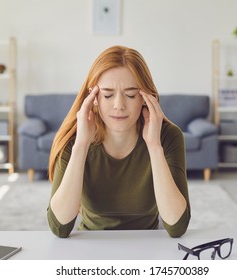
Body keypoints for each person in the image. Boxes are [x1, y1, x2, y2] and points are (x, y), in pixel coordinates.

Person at [47, 45, 190, 238]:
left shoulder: (168, 136)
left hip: (148, 247)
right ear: (94, 97)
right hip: (90, 247)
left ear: (145, 97)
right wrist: (81, 145)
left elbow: (176, 226)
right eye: (107, 94)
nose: (119, 106)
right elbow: (59, 227)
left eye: (131, 95)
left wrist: (154, 146)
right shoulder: (75, 138)